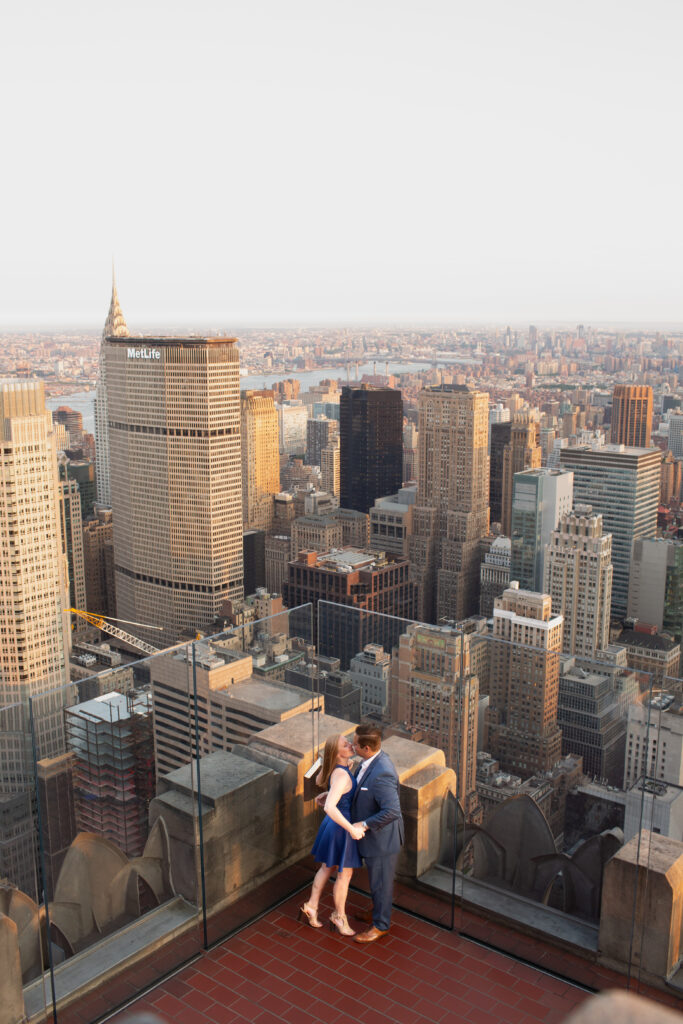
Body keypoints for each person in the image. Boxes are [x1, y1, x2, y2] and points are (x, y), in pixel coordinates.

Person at [299, 733, 364, 936]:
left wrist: (330, 792)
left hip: (332, 826)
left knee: (326, 868)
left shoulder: (341, 769)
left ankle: (311, 905)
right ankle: (339, 916)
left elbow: (334, 791)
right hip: (341, 828)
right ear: (337, 754)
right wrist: (352, 829)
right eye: (345, 745)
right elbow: (330, 807)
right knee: (344, 874)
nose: (350, 744)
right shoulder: (342, 775)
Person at [349, 723, 404, 944]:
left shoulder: (382, 774)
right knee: (376, 881)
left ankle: (381, 925)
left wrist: (363, 824)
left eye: (355, 745)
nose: (352, 747)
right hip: (375, 838)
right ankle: (376, 911)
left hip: (381, 841)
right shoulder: (371, 762)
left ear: (367, 749)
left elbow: (392, 811)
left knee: (381, 883)